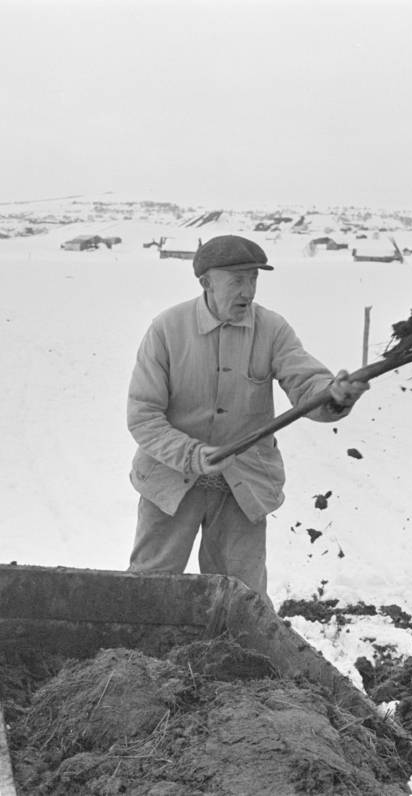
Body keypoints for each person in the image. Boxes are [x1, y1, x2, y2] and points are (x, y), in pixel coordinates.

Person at [126, 234, 369, 606]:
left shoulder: (271, 330)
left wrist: (333, 397)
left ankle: (238, 663)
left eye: (253, 279)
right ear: (206, 282)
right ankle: (140, 661)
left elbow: (308, 385)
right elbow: (143, 417)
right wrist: (192, 455)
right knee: (149, 589)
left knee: (243, 600)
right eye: (237, 280)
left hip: (242, 484)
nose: (248, 291)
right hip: (170, 482)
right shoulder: (167, 330)